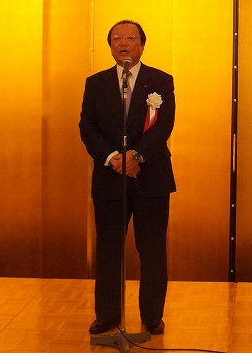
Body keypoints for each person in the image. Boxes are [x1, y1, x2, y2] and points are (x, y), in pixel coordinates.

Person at [79, 20, 176, 336]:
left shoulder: (160, 81)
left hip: (152, 178)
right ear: (110, 46)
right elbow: (87, 126)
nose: (123, 43)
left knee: (152, 249)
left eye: (130, 38)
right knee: (109, 250)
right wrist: (113, 158)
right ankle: (107, 315)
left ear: (142, 45)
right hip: (110, 178)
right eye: (116, 38)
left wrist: (137, 155)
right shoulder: (96, 83)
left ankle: (152, 315)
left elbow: (164, 125)